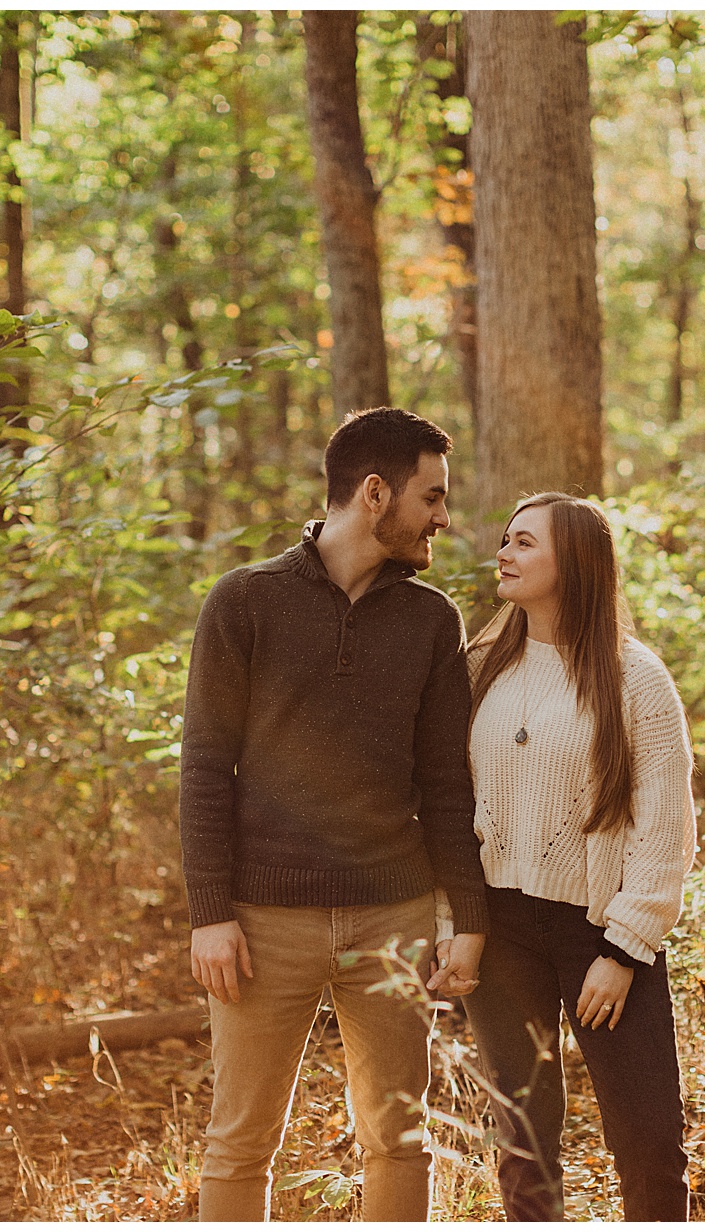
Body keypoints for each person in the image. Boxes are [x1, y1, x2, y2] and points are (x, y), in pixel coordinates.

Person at [178, 406, 491, 1222]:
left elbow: (446, 785)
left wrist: (467, 913)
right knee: (241, 1140)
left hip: (393, 913)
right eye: (432, 497)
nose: (444, 518)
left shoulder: (432, 621)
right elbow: (207, 766)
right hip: (261, 919)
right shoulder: (245, 602)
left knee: (399, 1137)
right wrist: (210, 913)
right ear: (376, 493)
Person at [461, 492, 697, 1222]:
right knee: (525, 1143)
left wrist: (624, 948)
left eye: (525, 542)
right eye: (507, 539)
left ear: (576, 561)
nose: (504, 552)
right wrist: (458, 919)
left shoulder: (636, 678)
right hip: (500, 932)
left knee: (649, 1142)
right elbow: (444, 804)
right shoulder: (478, 664)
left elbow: (667, 824)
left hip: (599, 933)